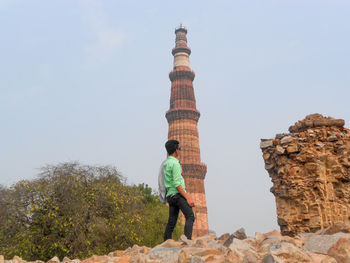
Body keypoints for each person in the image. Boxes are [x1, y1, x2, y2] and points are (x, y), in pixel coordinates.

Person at [163, 139, 195, 240]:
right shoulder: (175, 164)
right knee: (190, 216)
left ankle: (166, 242)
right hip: (177, 195)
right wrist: (188, 198)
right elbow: (177, 184)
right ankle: (187, 241)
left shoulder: (166, 163)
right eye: (179, 149)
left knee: (171, 222)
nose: (179, 151)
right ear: (176, 150)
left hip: (170, 196)